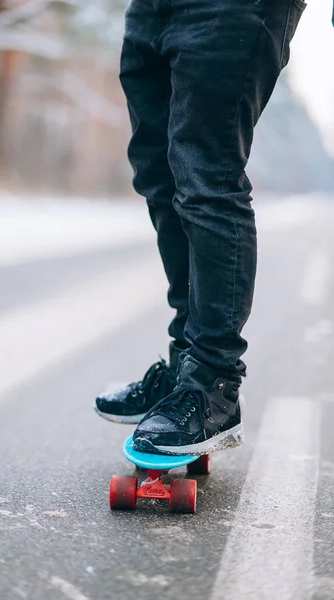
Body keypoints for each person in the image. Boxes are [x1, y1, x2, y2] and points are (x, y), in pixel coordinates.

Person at [95, 0, 306, 455]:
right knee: (159, 174)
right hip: (151, 8)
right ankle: (184, 370)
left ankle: (213, 385)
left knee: (206, 178)